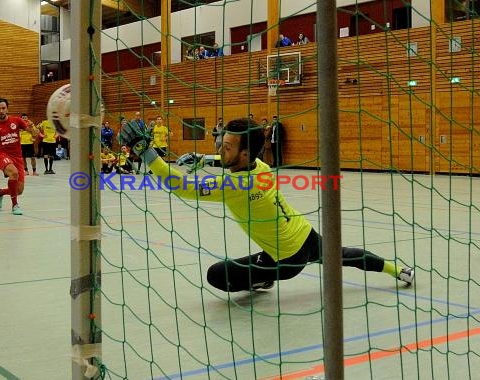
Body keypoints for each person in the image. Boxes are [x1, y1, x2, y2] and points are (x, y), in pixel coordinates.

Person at [118, 117, 415, 292]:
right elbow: (229, 161)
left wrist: (147, 154)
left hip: (284, 261)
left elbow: (181, 186)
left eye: (228, 146)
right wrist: (205, 159)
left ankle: (263, 277)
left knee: (217, 275)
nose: (221, 148)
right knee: (345, 255)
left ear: (245, 154)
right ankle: (397, 270)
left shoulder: (234, 186)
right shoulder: (261, 166)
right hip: (306, 236)